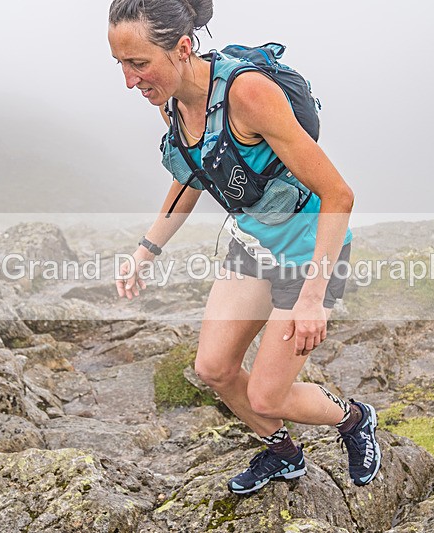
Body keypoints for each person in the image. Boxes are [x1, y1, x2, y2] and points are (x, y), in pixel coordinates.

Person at [108, 0, 381, 495]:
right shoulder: (172, 101)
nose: (129, 81)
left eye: (139, 63)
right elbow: (191, 173)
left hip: (308, 256)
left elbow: (338, 194)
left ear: (183, 48)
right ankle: (283, 454)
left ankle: (354, 419)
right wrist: (147, 249)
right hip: (250, 247)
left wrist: (312, 298)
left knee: (267, 393)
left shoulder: (247, 94)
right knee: (213, 369)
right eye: (121, 65)